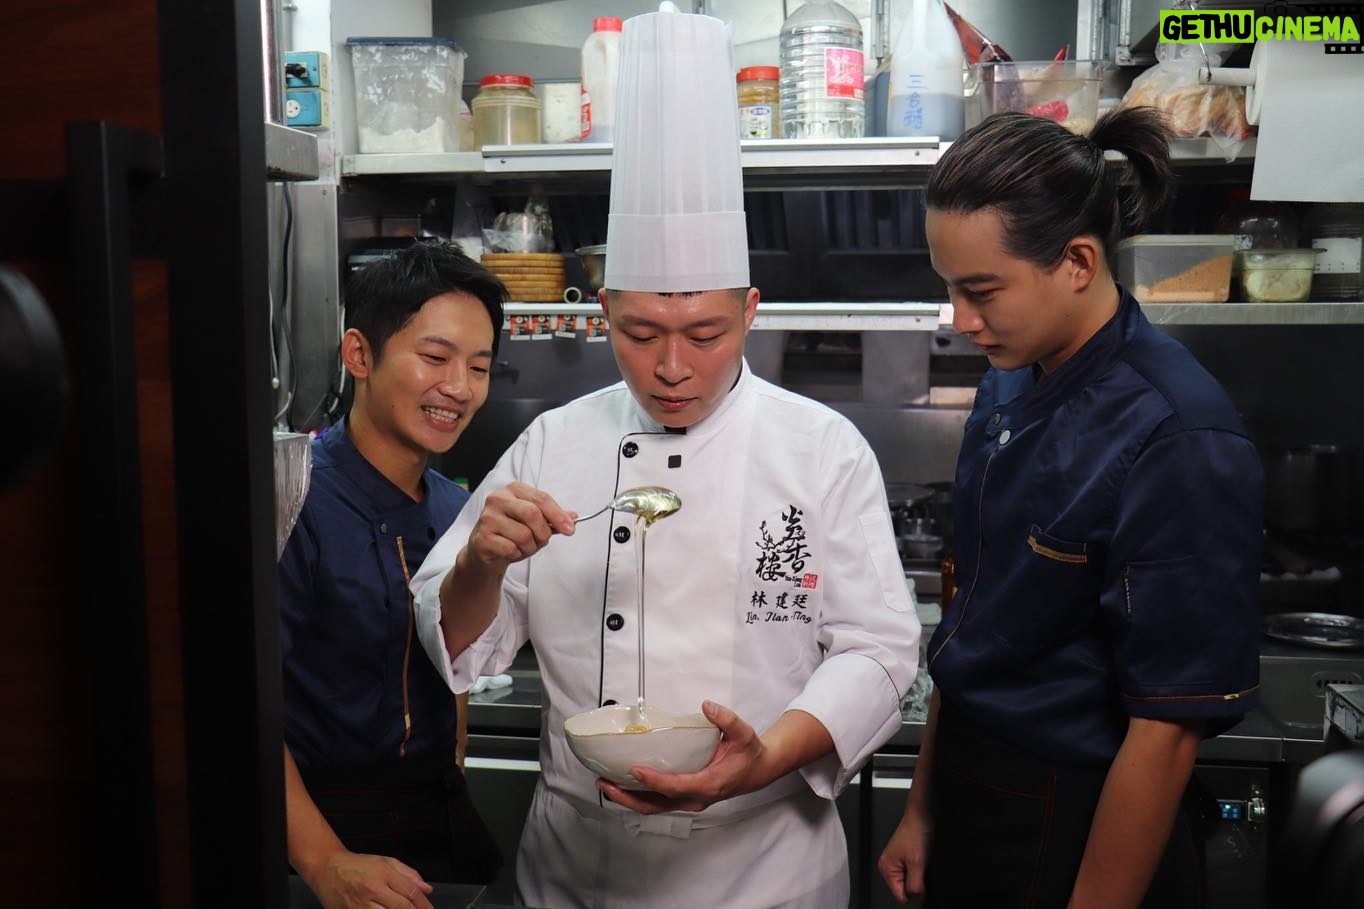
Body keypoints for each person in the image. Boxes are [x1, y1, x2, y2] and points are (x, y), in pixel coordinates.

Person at [408, 7, 919, 908]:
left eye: (705, 333)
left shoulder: (821, 449)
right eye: (640, 333)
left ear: (750, 311)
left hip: (763, 872)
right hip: (576, 870)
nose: (672, 367)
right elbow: (458, 644)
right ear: (604, 309)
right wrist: (482, 562)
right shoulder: (555, 442)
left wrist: (768, 752)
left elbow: (878, 651)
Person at [877, 108, 1264, 908]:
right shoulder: (1010, 380)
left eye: (981, 290)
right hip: (972, 787)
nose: (961, 320)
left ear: (1078, 261)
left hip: (1078, 812)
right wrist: (923, 807)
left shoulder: (1178, 433)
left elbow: (1165, 732)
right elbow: (975, 611)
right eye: (949, 287)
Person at [280, 241, 506, 909]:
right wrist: (325, 862)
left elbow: (451, 665)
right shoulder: (294, 501)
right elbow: (234, 700)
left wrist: (453, 765)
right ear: (359, 355)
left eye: (479, 366)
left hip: (432, 819)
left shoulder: (454, 508)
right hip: (313, 828)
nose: (459, 388)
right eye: (435, 358)